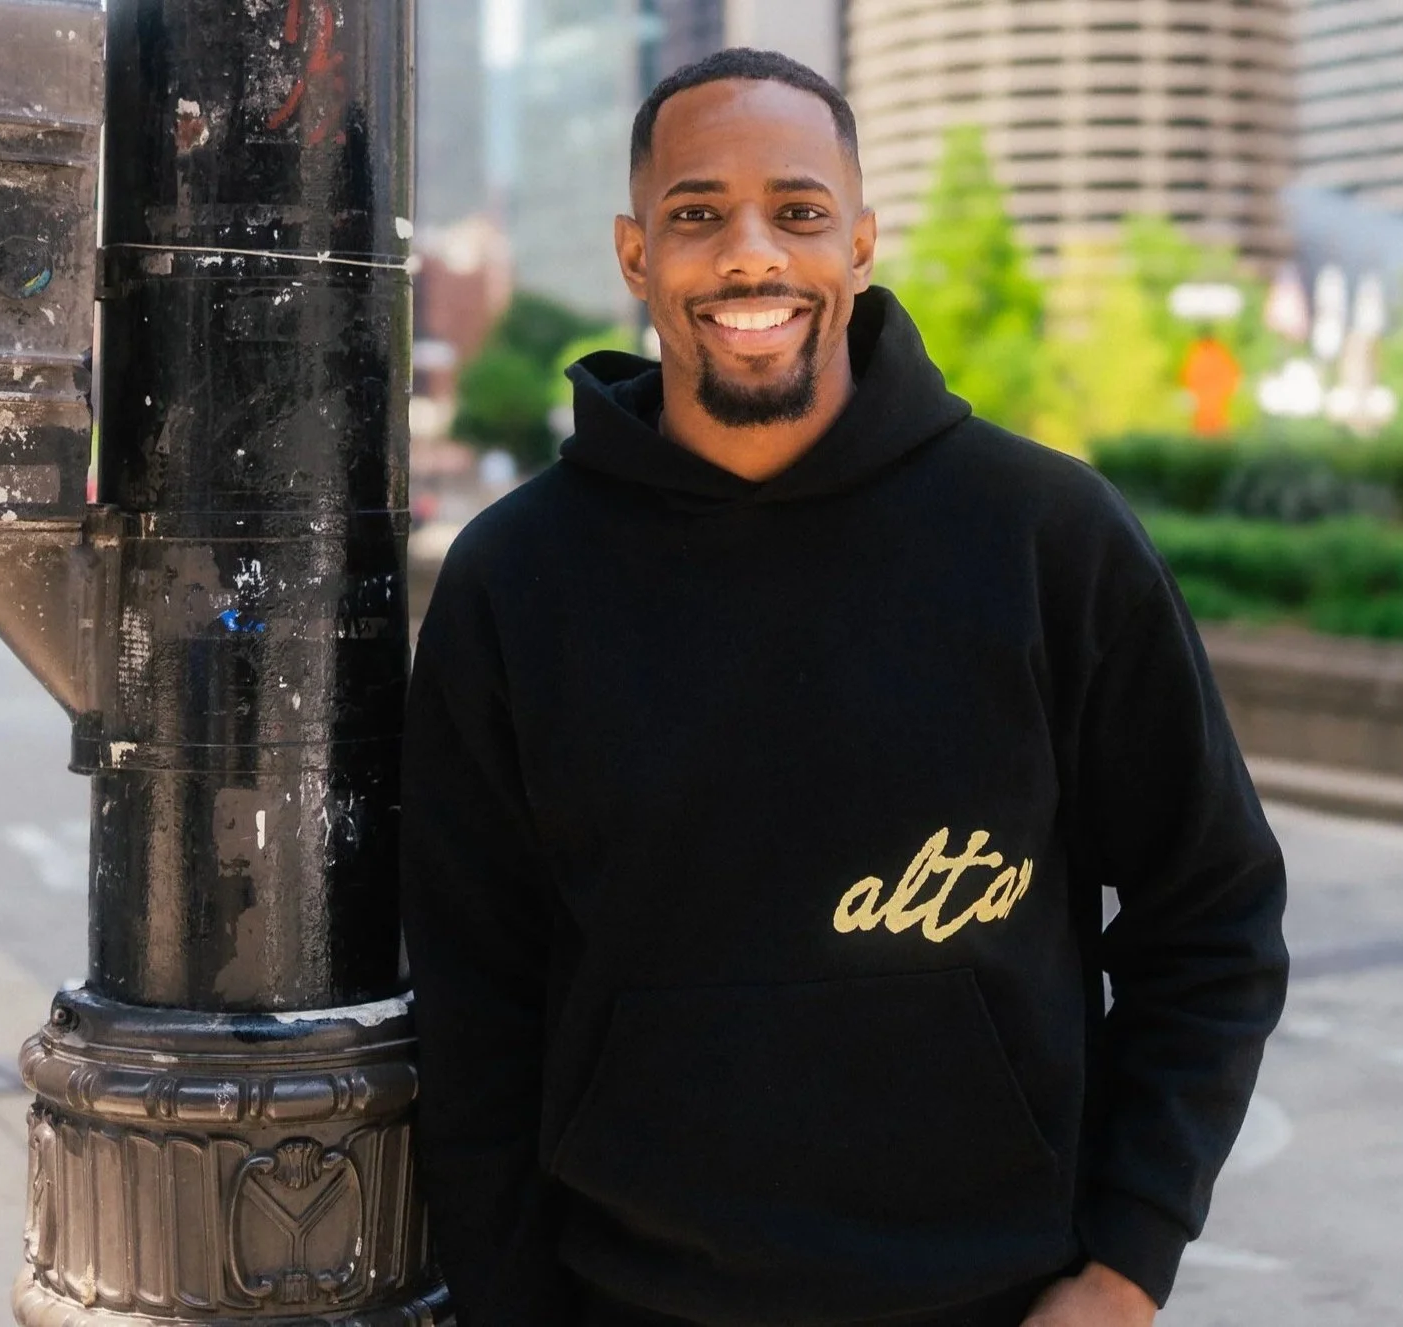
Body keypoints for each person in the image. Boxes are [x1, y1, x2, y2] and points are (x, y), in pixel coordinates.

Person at [401, 48, 1289, 1327]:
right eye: (696, 213)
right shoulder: (515, 579)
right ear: (635, 254)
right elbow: (475, 1010)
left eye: (798, 211)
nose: (749, 253)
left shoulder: (1046, 536)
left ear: (860, 242)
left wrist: (1123, 1269)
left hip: (999, 1298)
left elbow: (1210, 920)